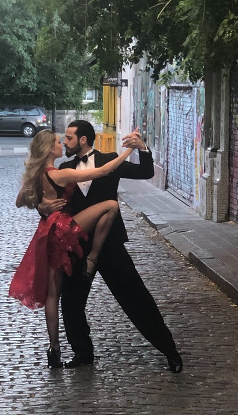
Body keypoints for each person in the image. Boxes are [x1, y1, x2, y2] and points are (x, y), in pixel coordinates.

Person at [38, 120, 183, 373]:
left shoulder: (110, 159)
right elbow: (47, 204)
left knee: (136, 297)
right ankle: (83, 353)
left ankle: (169, 349)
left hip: (110, 244)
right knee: (71, 304)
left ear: (83, 139)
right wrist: (42, 208)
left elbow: (145, 173)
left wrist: (143, 148)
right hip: (77, 246)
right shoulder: (66, 167)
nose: (65, 142)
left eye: (69, 138)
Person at [9, 130, 139, 369]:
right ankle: (93, 256)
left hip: (46, 232)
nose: (61, 145)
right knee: (110, 206)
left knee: (52, 294)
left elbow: (19, 201)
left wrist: (42, 204)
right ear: (49, 149)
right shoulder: (61, 174)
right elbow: (102, 171)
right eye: (58, 143)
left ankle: (54, 349)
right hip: (63, 229)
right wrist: (130, 150)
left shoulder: (37, 174)